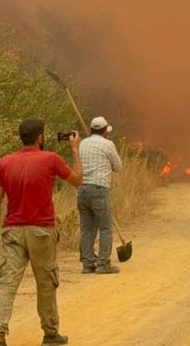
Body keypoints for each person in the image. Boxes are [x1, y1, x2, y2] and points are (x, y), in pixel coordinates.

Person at [0, 118, 83, 346]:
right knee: (46, 282)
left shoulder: (5, 162)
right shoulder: (51, 159)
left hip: (12, 232)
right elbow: (78, 180)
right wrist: (75, 150)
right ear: (40, 137)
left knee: (8, 284)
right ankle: (50, 333)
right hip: (42, 231)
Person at [78, 116, 123, 275]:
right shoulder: (108, 144)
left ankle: (87, 264)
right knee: (105, 227)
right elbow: (118, 166)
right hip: (99, 189)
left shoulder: (82, 143)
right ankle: (103, 264)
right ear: (105, 131)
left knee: (87, 229)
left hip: (82, 189)